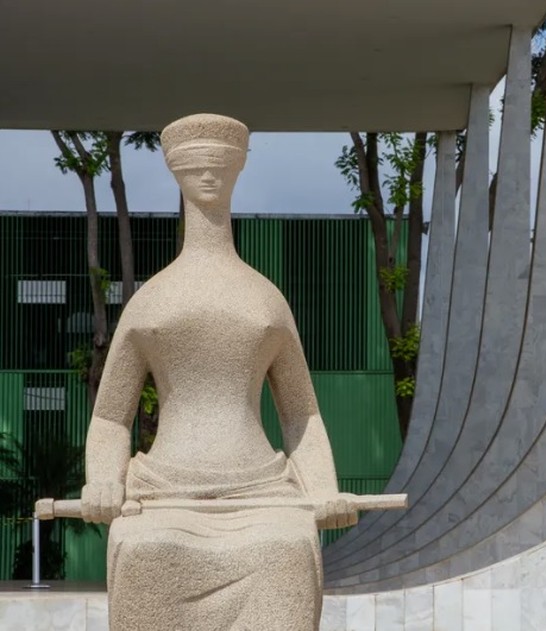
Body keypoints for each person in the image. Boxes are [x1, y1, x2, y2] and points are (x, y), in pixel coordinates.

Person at [80, 113, 355, 630]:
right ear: (176, 173)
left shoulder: (265, 299)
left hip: (263, 492)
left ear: (238, 170)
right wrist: (102, 481)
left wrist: (323, 488)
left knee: (287, 548)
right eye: (196, 167)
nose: (208, 177)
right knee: (147, 550)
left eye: (219, 167)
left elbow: (302, 416)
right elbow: (111, 419)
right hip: (164, 494)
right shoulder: (151, 301)